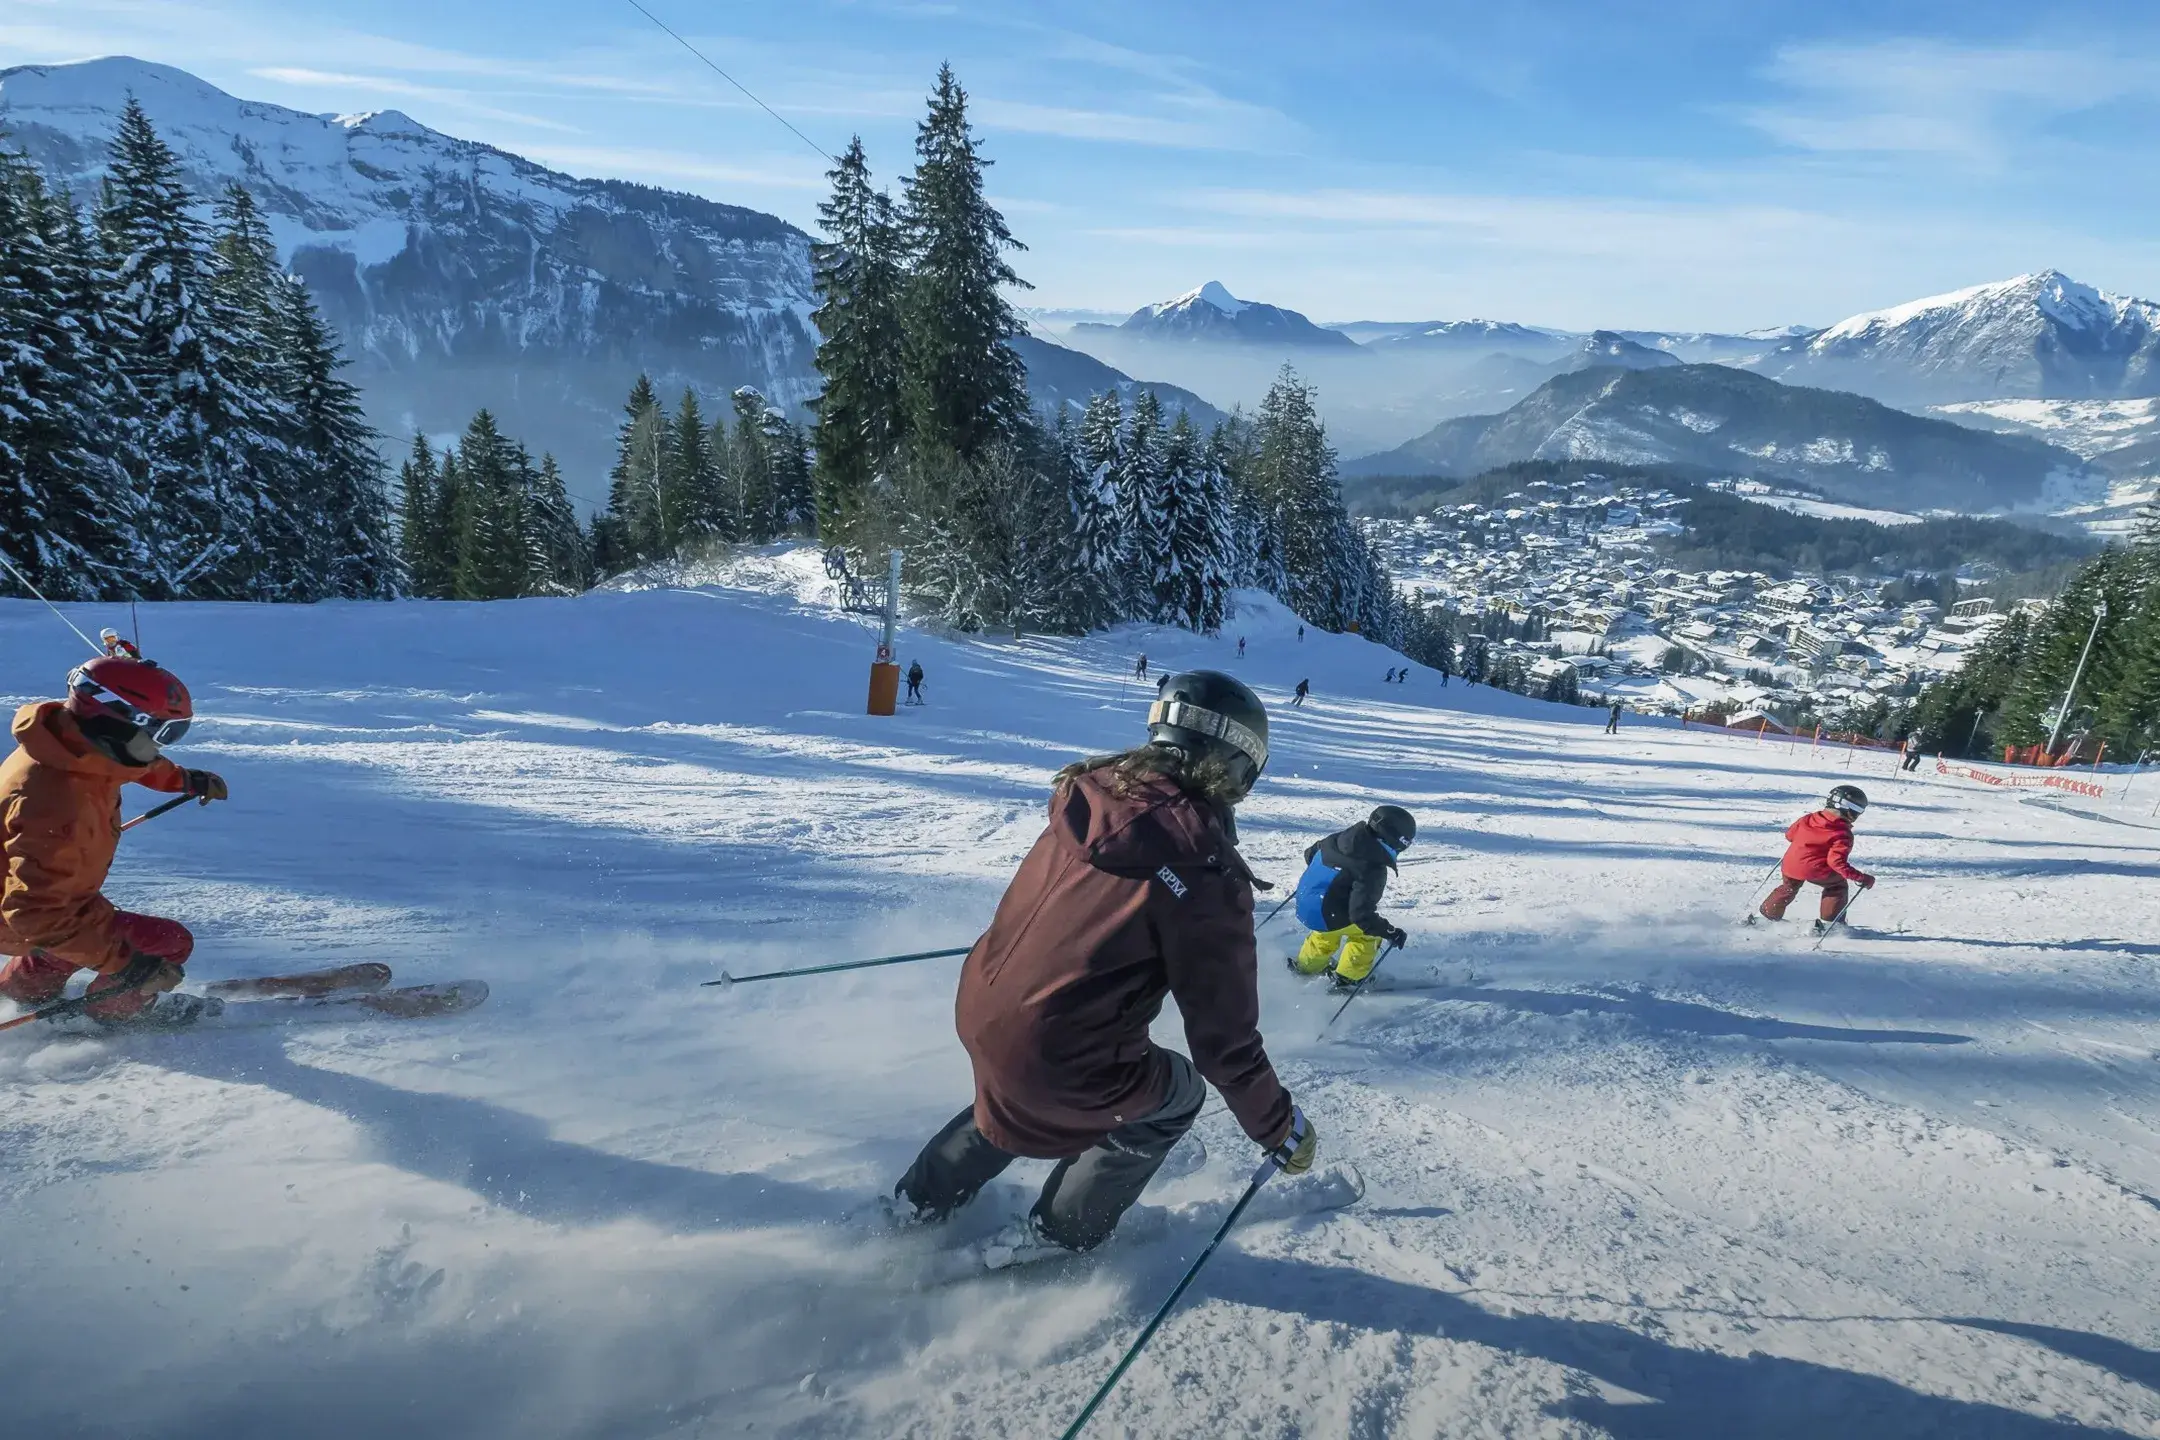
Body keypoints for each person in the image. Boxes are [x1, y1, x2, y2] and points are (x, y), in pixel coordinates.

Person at [893, 671, 1315, 1260]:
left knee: (1017, 1090)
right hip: (1056, 1044)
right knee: (1175, 1093)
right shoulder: (1203, 870)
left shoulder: (1091, 794)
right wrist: (1278, 1127)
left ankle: (920, 1199)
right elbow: (1225, 1045)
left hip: (986, 1003)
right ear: (1240, 765)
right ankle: (1057, 1234)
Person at [0, 648, 227, 1022]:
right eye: (161, 733)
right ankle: (108, 1015)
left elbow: (130, 761)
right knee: (167, 944)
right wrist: (127, 965)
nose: (161, 746)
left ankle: (23, 989)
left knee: (80, 923)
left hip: (44, 895)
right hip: (23, 912)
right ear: (117, 723)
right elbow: (35, 915)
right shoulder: (58, 802)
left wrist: (184, 779)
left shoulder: (65, 742)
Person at [1290, 807, 1414, 990]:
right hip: (1329, 913)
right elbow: (1361, 915)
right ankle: (1348, 978)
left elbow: (1311, 853)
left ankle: (1306, 968)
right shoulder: (1372, 868)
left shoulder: (1339, 838)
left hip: (1307, 904)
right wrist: (1388, 932)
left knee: (1325, 933)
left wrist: (1329, 877)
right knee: (1366, 936)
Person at [1757, 786, 1875, 933]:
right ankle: (1830, 924)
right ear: (1848, 810)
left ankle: (1766, 916)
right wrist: (1861, 877)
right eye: (1858, 811)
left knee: (1789, 887)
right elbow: (1836, 862)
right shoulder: (1841, 833)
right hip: (1815, 870)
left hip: (1790, 864)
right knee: (1837, 886)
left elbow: (1790, 836)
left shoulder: (1807, 818)